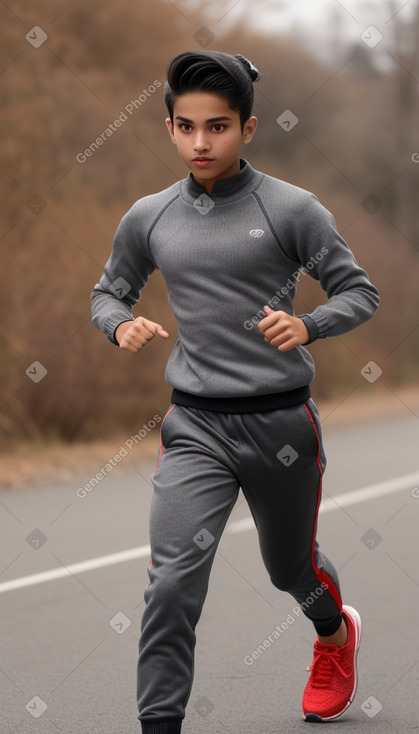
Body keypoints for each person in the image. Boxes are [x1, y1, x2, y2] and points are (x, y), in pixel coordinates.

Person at [91, 50, 379, 733]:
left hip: (280, 427)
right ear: (167, 127)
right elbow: (109, 291)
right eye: (185, 126)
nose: (200, 142)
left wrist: (308, 324)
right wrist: (120, 324)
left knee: (291, 571)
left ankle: (334, 636)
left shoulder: (290, 209)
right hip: (193, 425)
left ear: (247, 128)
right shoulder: (150, 216)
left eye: (216, 127)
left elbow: (358, 291)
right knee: (170, 583)